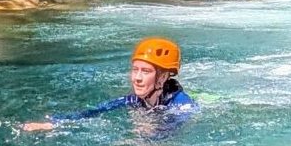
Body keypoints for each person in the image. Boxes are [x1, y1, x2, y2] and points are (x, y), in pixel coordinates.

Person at [21, 38, 196, 133]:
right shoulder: (133, 99)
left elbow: (174, 127)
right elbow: (94, 112)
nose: (137, 78)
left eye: (146, 71)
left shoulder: (182, 105)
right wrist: (54, 123)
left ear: (163, 77)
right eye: (135, 70)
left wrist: (150, 137)